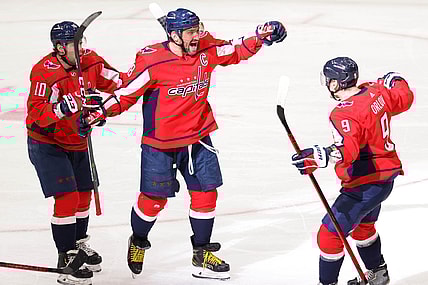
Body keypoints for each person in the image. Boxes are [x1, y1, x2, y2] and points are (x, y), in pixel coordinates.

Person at [89, 7, 286, 280]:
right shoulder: (152, 59)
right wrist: (100, 111)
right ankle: (138, 240)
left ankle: (202, 252)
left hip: (198, 137)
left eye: (198, 29)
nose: (197, 35)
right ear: (174, 34)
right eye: (191, 31)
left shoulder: (206, 48)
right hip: (160, 143)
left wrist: (261, 36)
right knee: (153, 201)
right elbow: (126, 92)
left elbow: (236, 50)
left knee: (206, 194)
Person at [291, 57, 414, 285]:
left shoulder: (343, 113)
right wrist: (396, 79)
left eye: (329, 80)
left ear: (336, 83)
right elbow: (404, 98)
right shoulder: (375, 91)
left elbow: (348, 150)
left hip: (365, 181)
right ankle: (378, 273)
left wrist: (322, 156)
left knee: (329, 235)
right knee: (363, 228)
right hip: (384, 177)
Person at [26, 20, 122, 285]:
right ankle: (65, 255)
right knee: (67, 197)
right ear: (59, 48)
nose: (80, 48)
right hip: (48, 143)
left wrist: (99, 112)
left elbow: (121, 83)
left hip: (77, 139)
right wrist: (60, 109)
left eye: (81, 42)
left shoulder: (91, 61)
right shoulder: (45, 72)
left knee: (84, 195)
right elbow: (35, 115)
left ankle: (77, 244)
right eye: (74, 44)